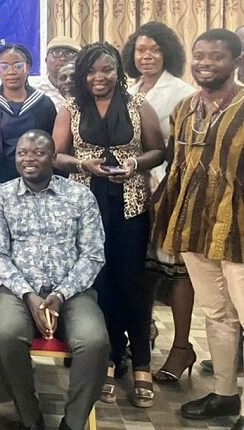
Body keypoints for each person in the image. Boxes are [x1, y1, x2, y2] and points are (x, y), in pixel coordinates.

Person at [52, 42, 165, 408]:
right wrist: (83, 165)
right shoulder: (71, 108)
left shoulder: (137, 105)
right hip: (86, 207)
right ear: (82, 75)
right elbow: (56, 155)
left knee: (131, 283)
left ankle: (142, 363)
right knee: (99, 286)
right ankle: (111, 360)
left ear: (118, 71)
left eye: (106, 70)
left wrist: (135, 164)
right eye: (91, 71)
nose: (98, 77)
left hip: (130, 206)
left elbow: (159, 150)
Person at [151, 29, 244, 428]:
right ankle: (225, 394)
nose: (205, 63)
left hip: (239, 231)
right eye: (200, 55)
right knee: (217, 314)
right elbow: (176, 168)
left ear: (235, 62)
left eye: (216, 57)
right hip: (194, 227)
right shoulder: (186, 108)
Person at [0, 130, 108, 430]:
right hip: (15, 291)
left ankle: (73, 423)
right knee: (7, 334)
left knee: (94, 342)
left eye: (38, 153)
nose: (29, 159)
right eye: (22, 153)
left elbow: (93, 255)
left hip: (73, 292)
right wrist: (29, 295)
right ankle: (31, 418)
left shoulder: (80, 196)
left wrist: (61, 295)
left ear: (53, 158)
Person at [121, 21, 198, 383]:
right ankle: (141, 337)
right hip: (133, 193)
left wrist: (161, 184)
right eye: (140, 50)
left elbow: (182, 151)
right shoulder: (129, 89)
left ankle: (182, 347)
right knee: (144, 270)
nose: (147, 56)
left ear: (168, 52)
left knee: (176, 269)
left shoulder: (182, 92)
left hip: (169, 190)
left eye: (154, 49)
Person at [0, 44, 57, 201]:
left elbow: (54, 146)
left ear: (28, 68)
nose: (11, 72)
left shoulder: (44, 104)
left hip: (38, 186)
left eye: (18, 66)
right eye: (4, 67)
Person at [33, 36, 82, 109]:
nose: (63, 58)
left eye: (70, 54)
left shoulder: (87, 89)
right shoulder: (33, 90)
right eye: (56, 53)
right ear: (46, 60)